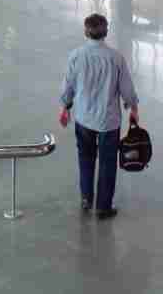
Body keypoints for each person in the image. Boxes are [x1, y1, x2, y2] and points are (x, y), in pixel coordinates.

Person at [58, 13, 140, 220]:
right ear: (106, 32)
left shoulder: (76, 56)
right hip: (108, 121)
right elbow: (127, 89)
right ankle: (103, 206)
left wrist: (65, 107)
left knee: (85, 158)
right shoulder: (116, 58)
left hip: (84, 118)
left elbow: (68, 85)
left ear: (86, 32)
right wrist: (133, 109)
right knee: (107, 162)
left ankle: (86, 198)